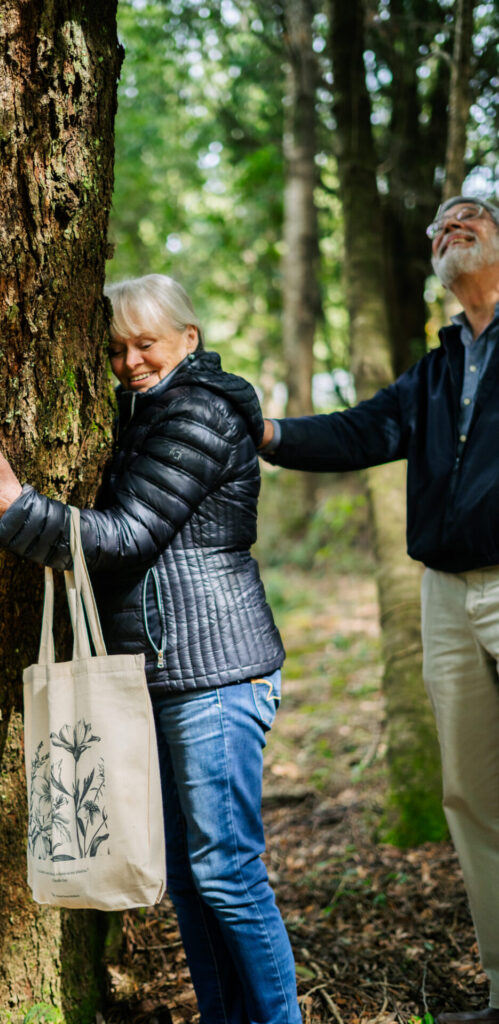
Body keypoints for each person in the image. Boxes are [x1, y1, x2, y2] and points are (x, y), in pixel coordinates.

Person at [0, 273, 302, 1024]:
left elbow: (126, 539)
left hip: (215, 675)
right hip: (157, 672)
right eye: (117, 349)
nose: (129, 362)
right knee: (190, 882)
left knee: (225, 873)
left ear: (187, 340)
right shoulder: (141, 414)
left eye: (146, 344)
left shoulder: (197, 412)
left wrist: (15, 506)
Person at [258, 195, 499, 1024]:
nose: (449, 226)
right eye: (438, 226)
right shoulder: (434, 369)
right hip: (444, 593)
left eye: (469, 215)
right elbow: (359, 432)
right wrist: (266, 432)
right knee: (469, 792)